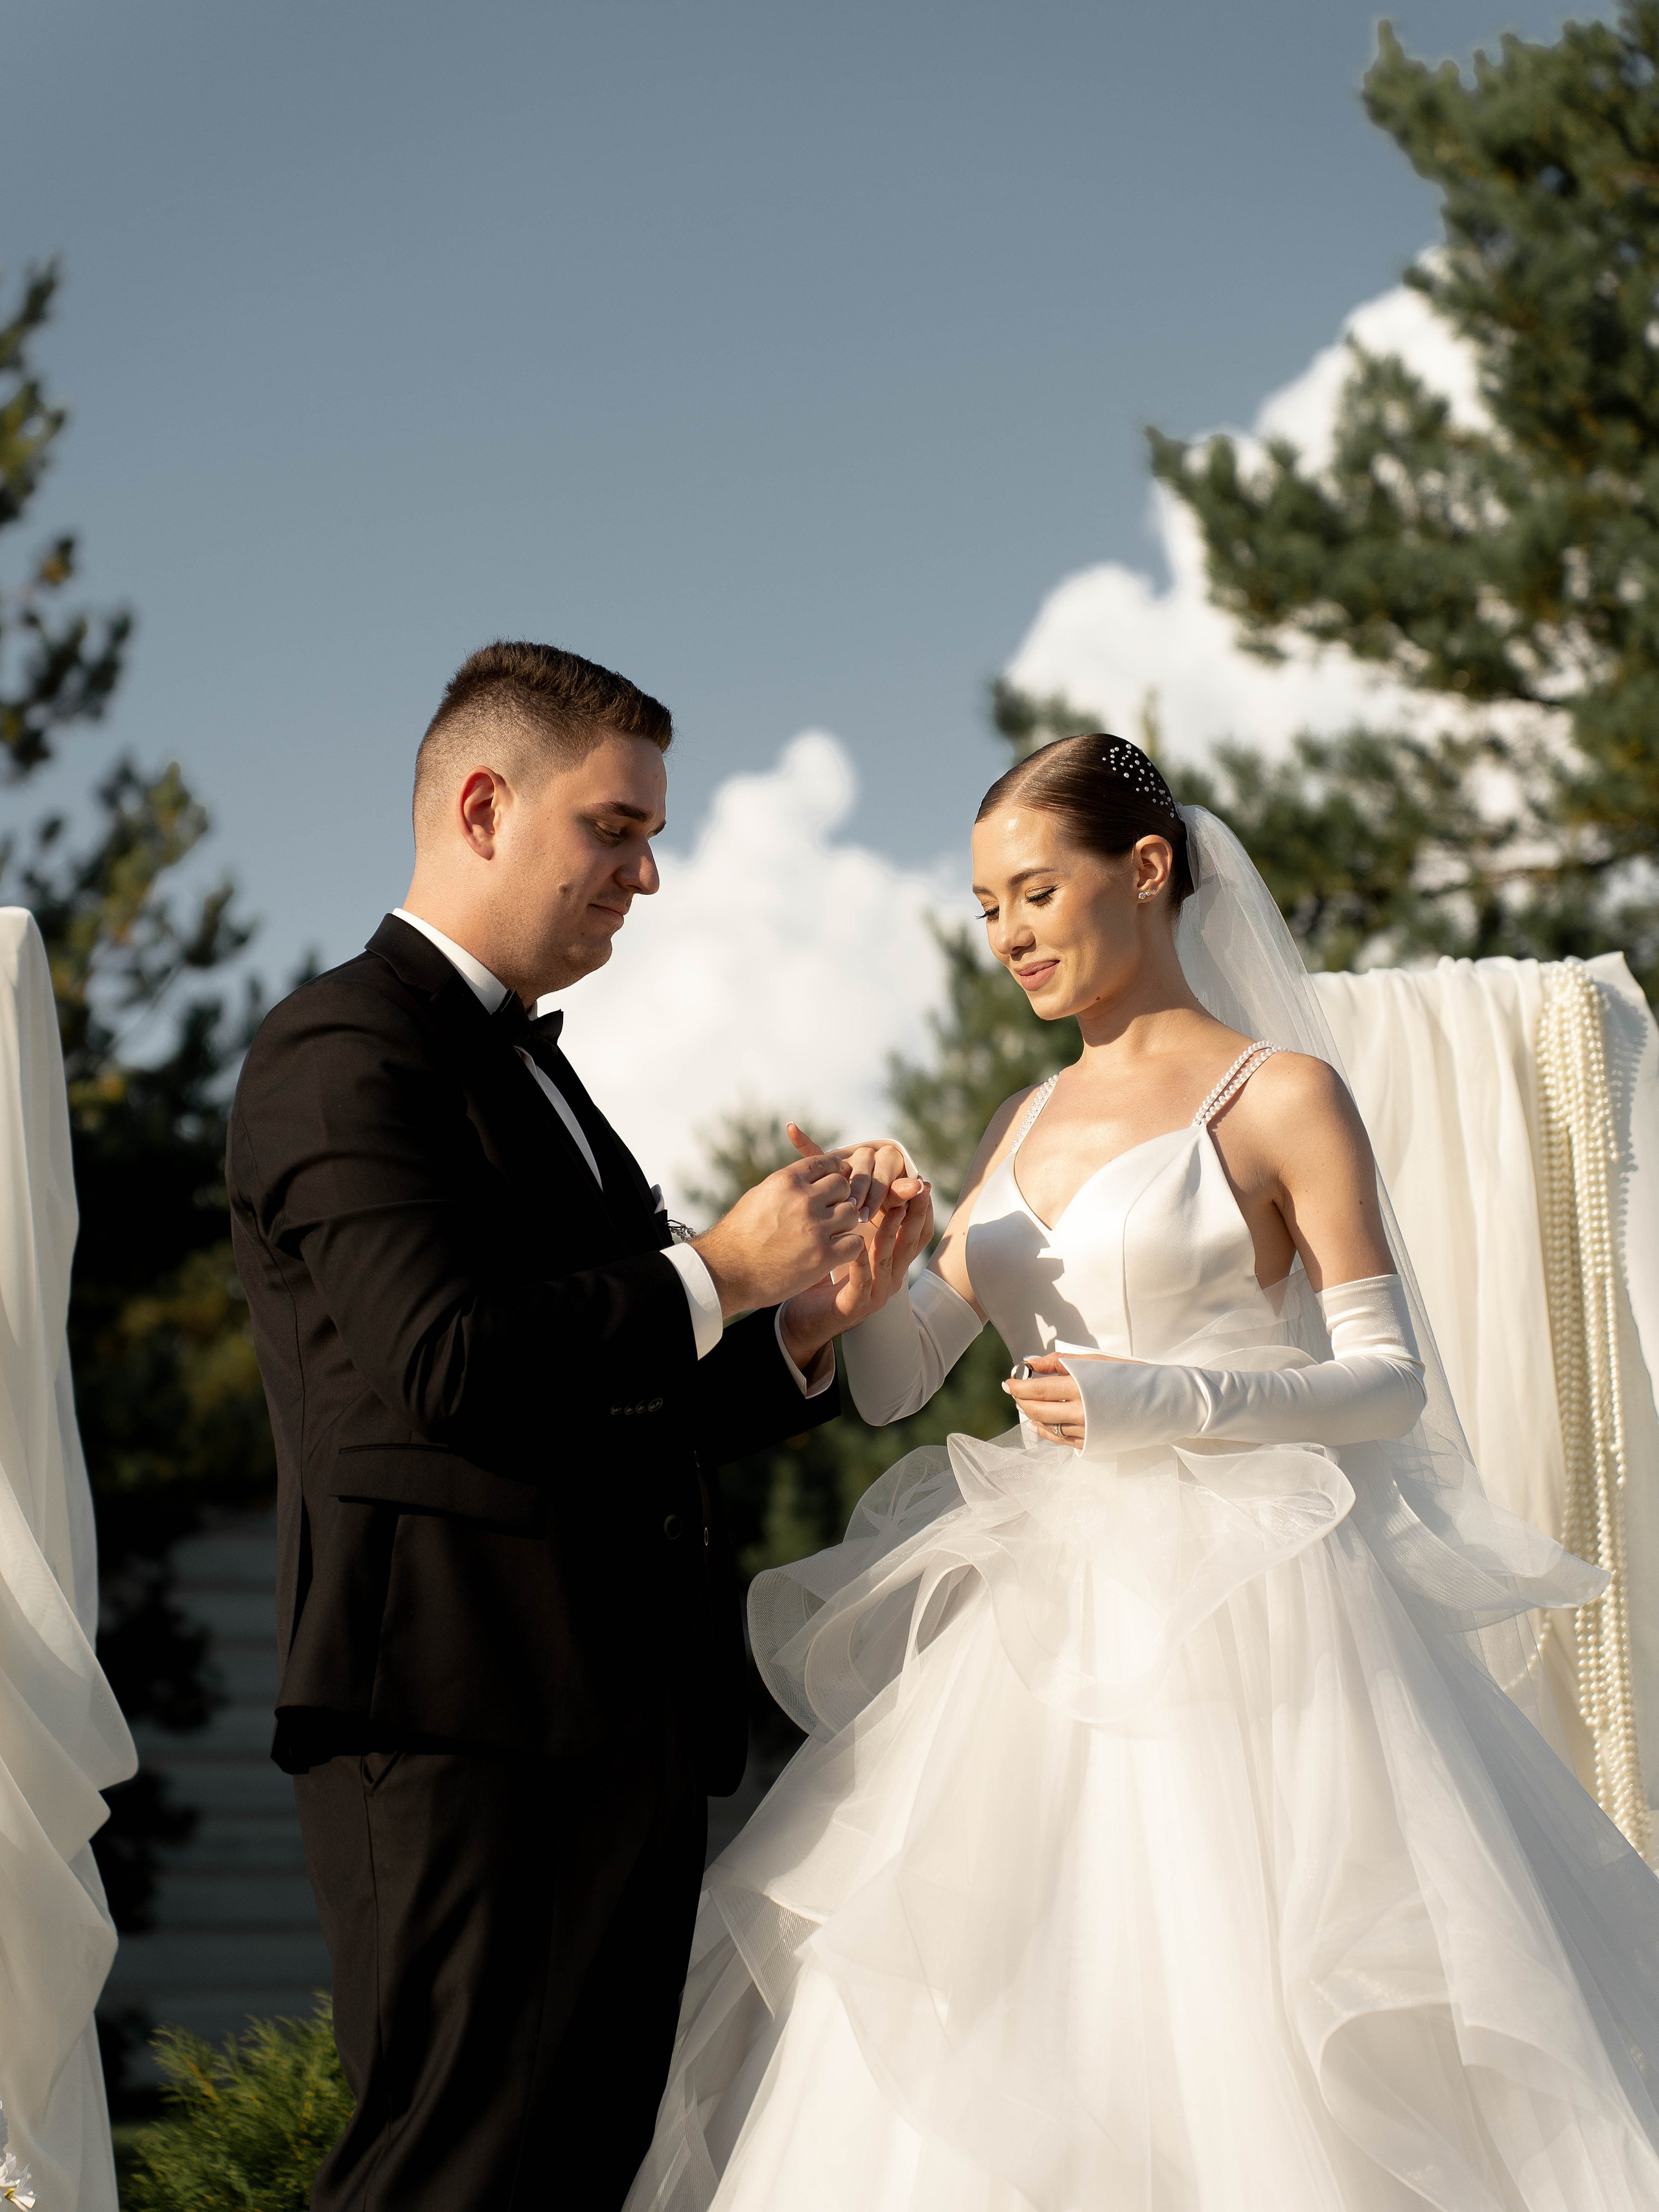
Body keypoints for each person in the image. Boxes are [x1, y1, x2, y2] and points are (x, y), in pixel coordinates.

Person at [626, 734, 1659, 2211]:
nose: (1009, 938)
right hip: (1038, 1630)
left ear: (1150, 870)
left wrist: (1160, 1399)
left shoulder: (1279, 1094)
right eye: (986, 910)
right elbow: (905, 1377)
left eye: (1034, 891)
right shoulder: (1021, 1121)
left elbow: (1386, 1385)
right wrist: (871, 1275)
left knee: (1246, 2004)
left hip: (1256, 1619)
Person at [227, 642, 928, 2212]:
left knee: (576, 2173)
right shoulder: (339, 1053)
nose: (648, 874)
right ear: (484, 805)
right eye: (614, 828)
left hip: (612, 1722)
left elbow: (611, 1395)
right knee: (454, 2171)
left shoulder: (544, 1075)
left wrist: (797, 1330)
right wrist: (720, 1268)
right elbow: (446, 1363)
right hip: (459, 1713)